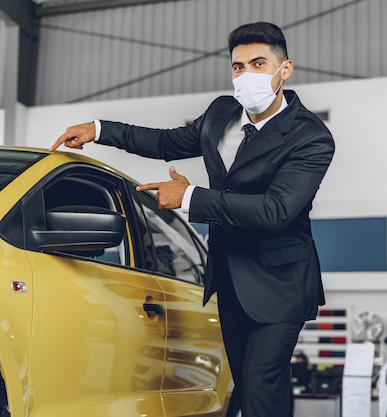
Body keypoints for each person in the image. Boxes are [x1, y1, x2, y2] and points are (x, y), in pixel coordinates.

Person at [50, 21, 335, 417]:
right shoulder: (221, 113)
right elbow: (166, 142)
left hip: (281, 283)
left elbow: (276, 211)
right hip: (231, 278)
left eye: (258, 63)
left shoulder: (311, 137)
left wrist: (190, 198)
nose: (247, 75)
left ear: (284, 69)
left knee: (260, 387)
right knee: (250, 385)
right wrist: (99, 129)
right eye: (238, 66)